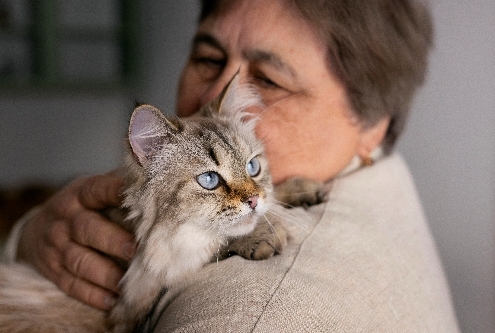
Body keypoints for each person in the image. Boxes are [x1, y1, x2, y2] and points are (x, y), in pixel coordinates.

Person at [3, 0, 460, 331]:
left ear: (373, 126)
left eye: (268, 79)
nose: (216, 98)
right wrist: (26, 237)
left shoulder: (257, 312)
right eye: (207, 58)